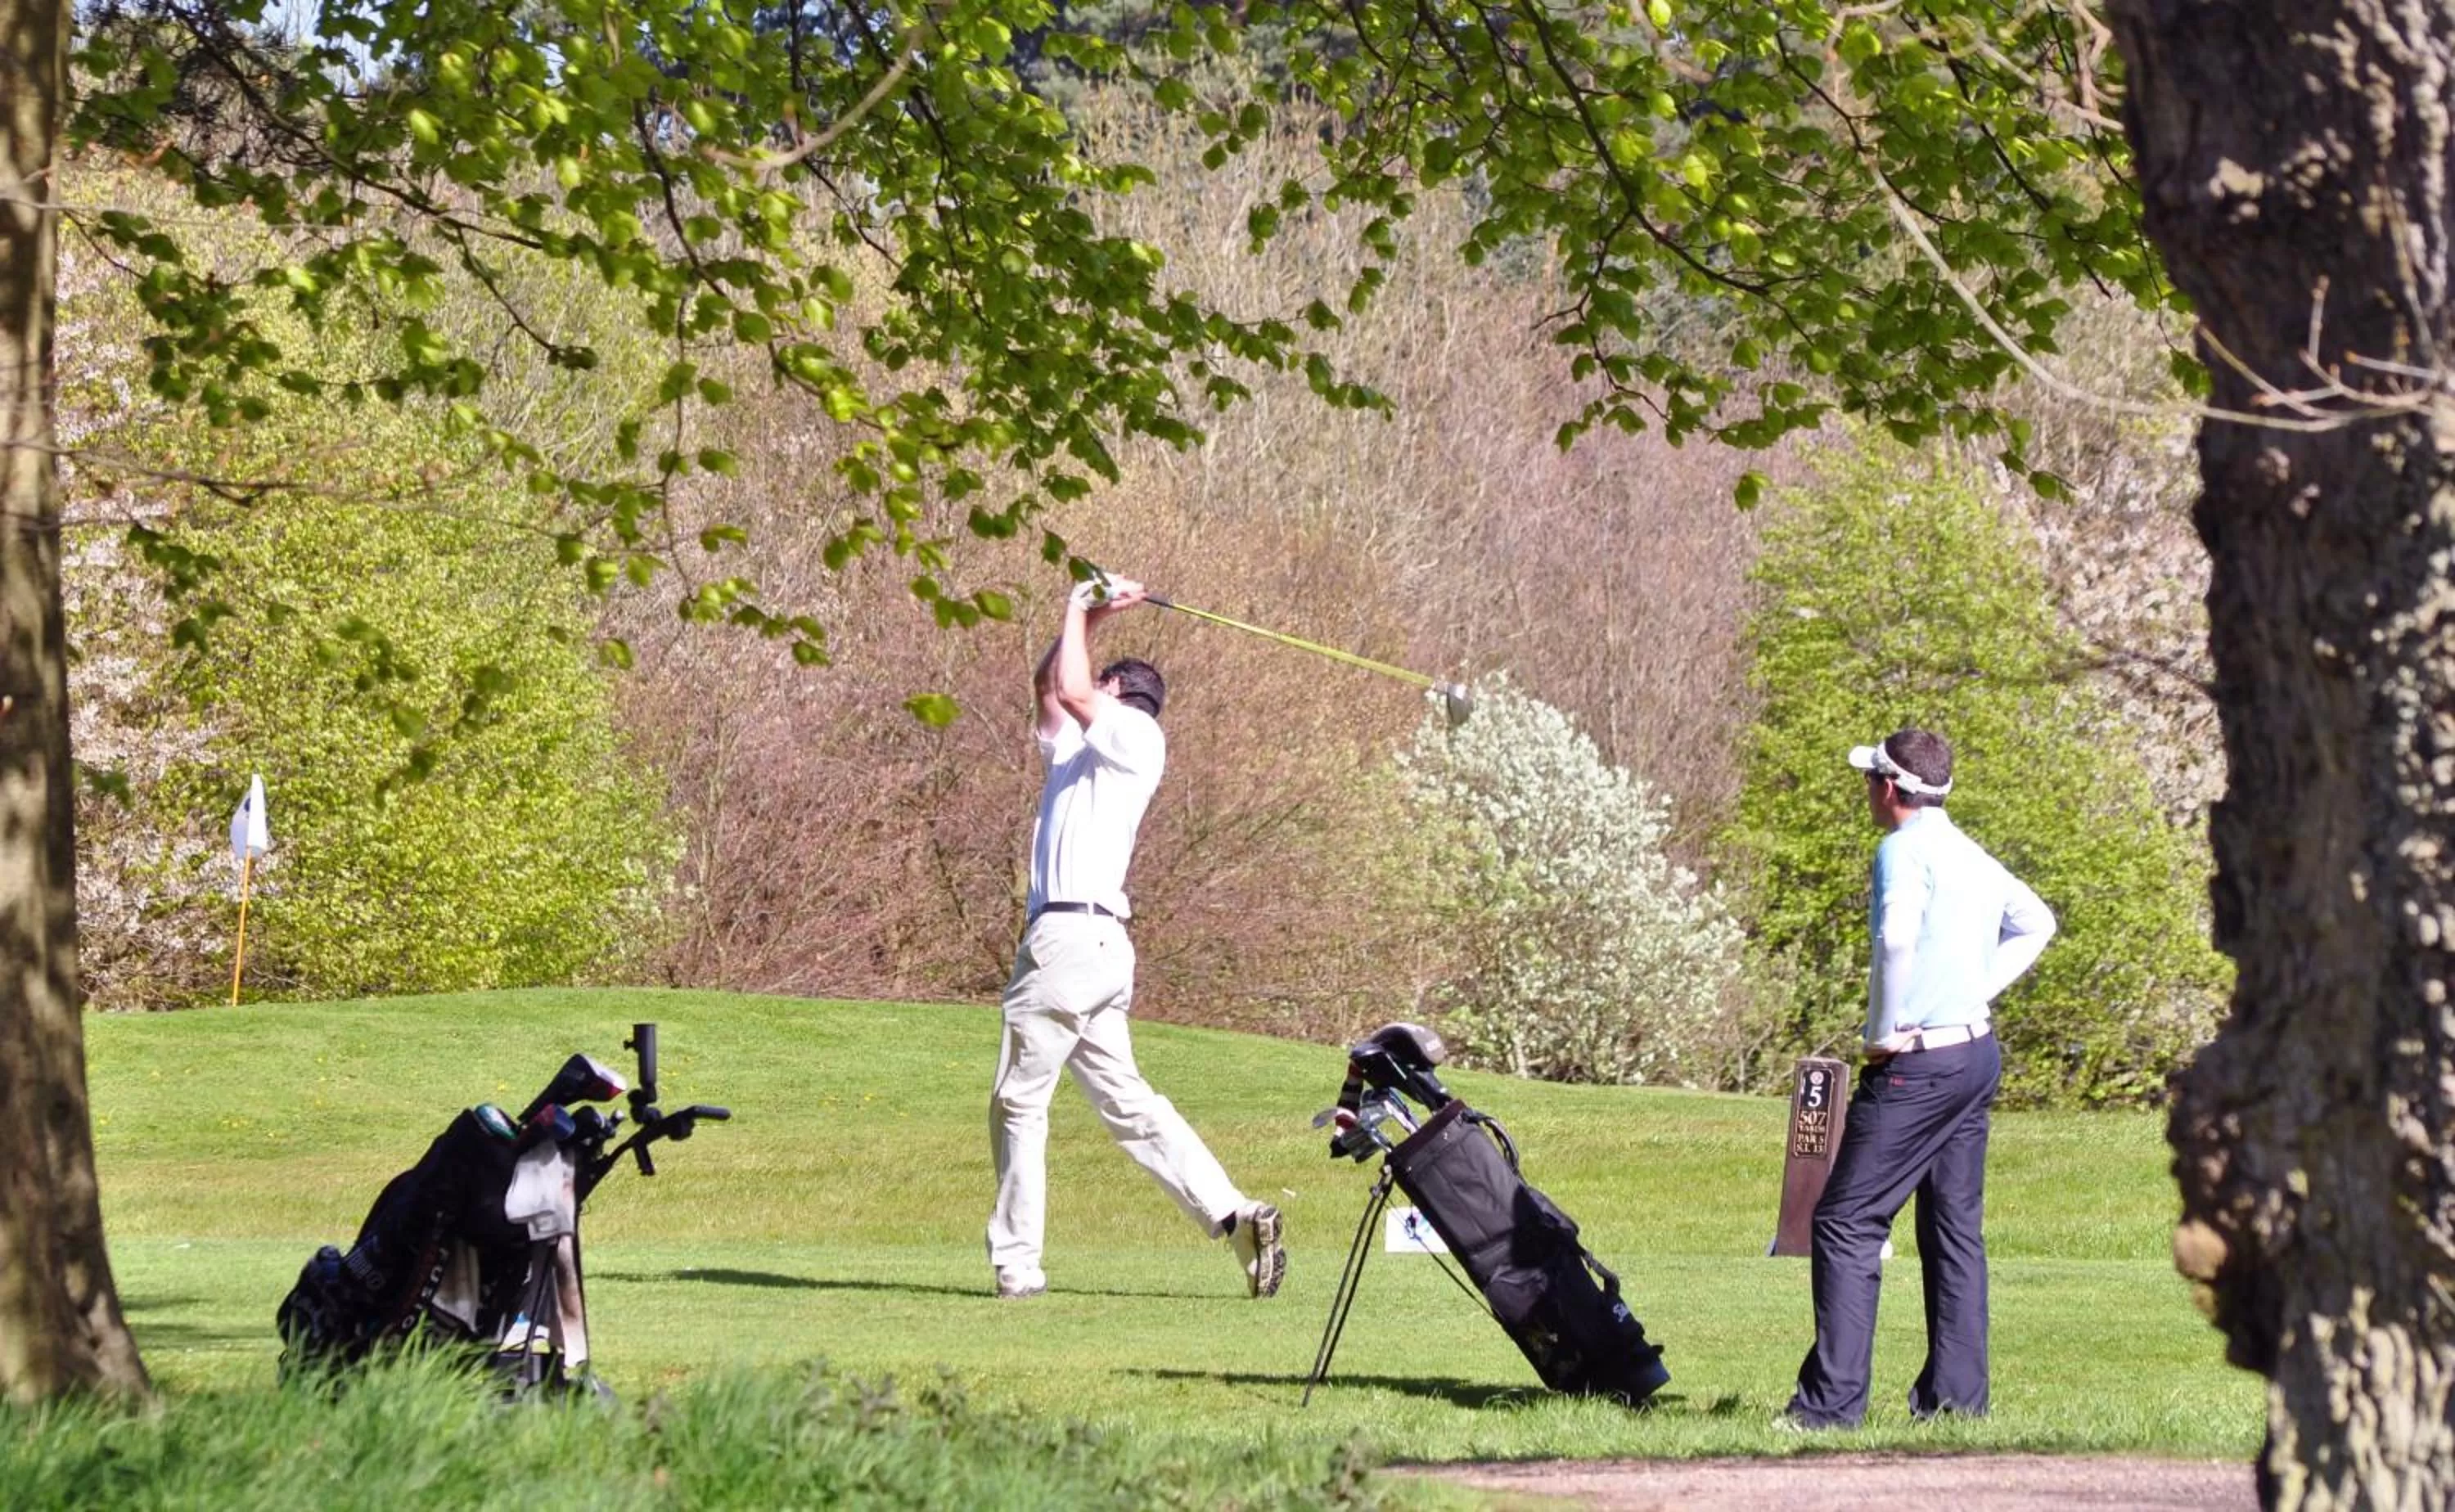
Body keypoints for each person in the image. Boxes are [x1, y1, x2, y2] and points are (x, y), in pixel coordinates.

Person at [984, 573, 1287, 1302]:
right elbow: (1051, 684)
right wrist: (1092, 616)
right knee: (1128, 1103)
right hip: (1090, 949)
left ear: (1119, 691)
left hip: (1070, 939)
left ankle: (1018, 1267)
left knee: (1018, 1104)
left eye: (1098, 681)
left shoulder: (1135, 734)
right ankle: (1235, 1216)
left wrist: (1077, 606)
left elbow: (1077, 690)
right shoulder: (1076, 755)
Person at [1784, 728, 2056, 1429]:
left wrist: (1881, 1031)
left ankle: (1829, 1409)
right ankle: (1956, 1404)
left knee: (1846, 1222)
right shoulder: (1969, 853)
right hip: (1974, 1055)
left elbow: (1896, 938)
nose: (1866, 792)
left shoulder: (1900, 850)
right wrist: (1975, 993)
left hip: (1919, 1066)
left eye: (1868, 780)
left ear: (1889, 787)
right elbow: (2036, 923)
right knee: (1953, 1228)